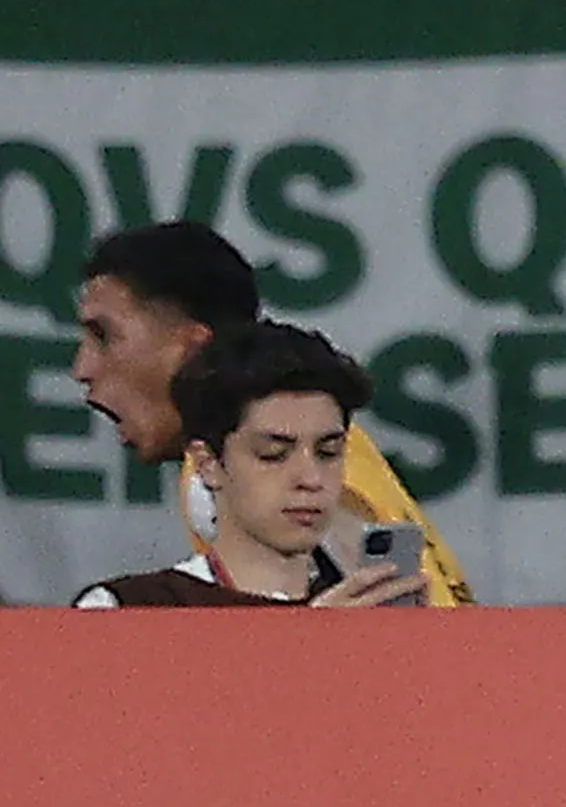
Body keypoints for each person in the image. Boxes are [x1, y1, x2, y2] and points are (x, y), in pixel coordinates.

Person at [70, 221, 473, 605]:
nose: (82, 368)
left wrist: (310, 648)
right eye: (275, 454)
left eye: (103, 336)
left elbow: (418, 650)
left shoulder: (215, 478)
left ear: (191, 348)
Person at [75, 323, 432, 609]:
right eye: (273, 453)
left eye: (328, 452)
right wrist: (315, 650)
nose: (310, 478)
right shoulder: (125, 610)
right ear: (208, 463)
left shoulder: (372, 619)